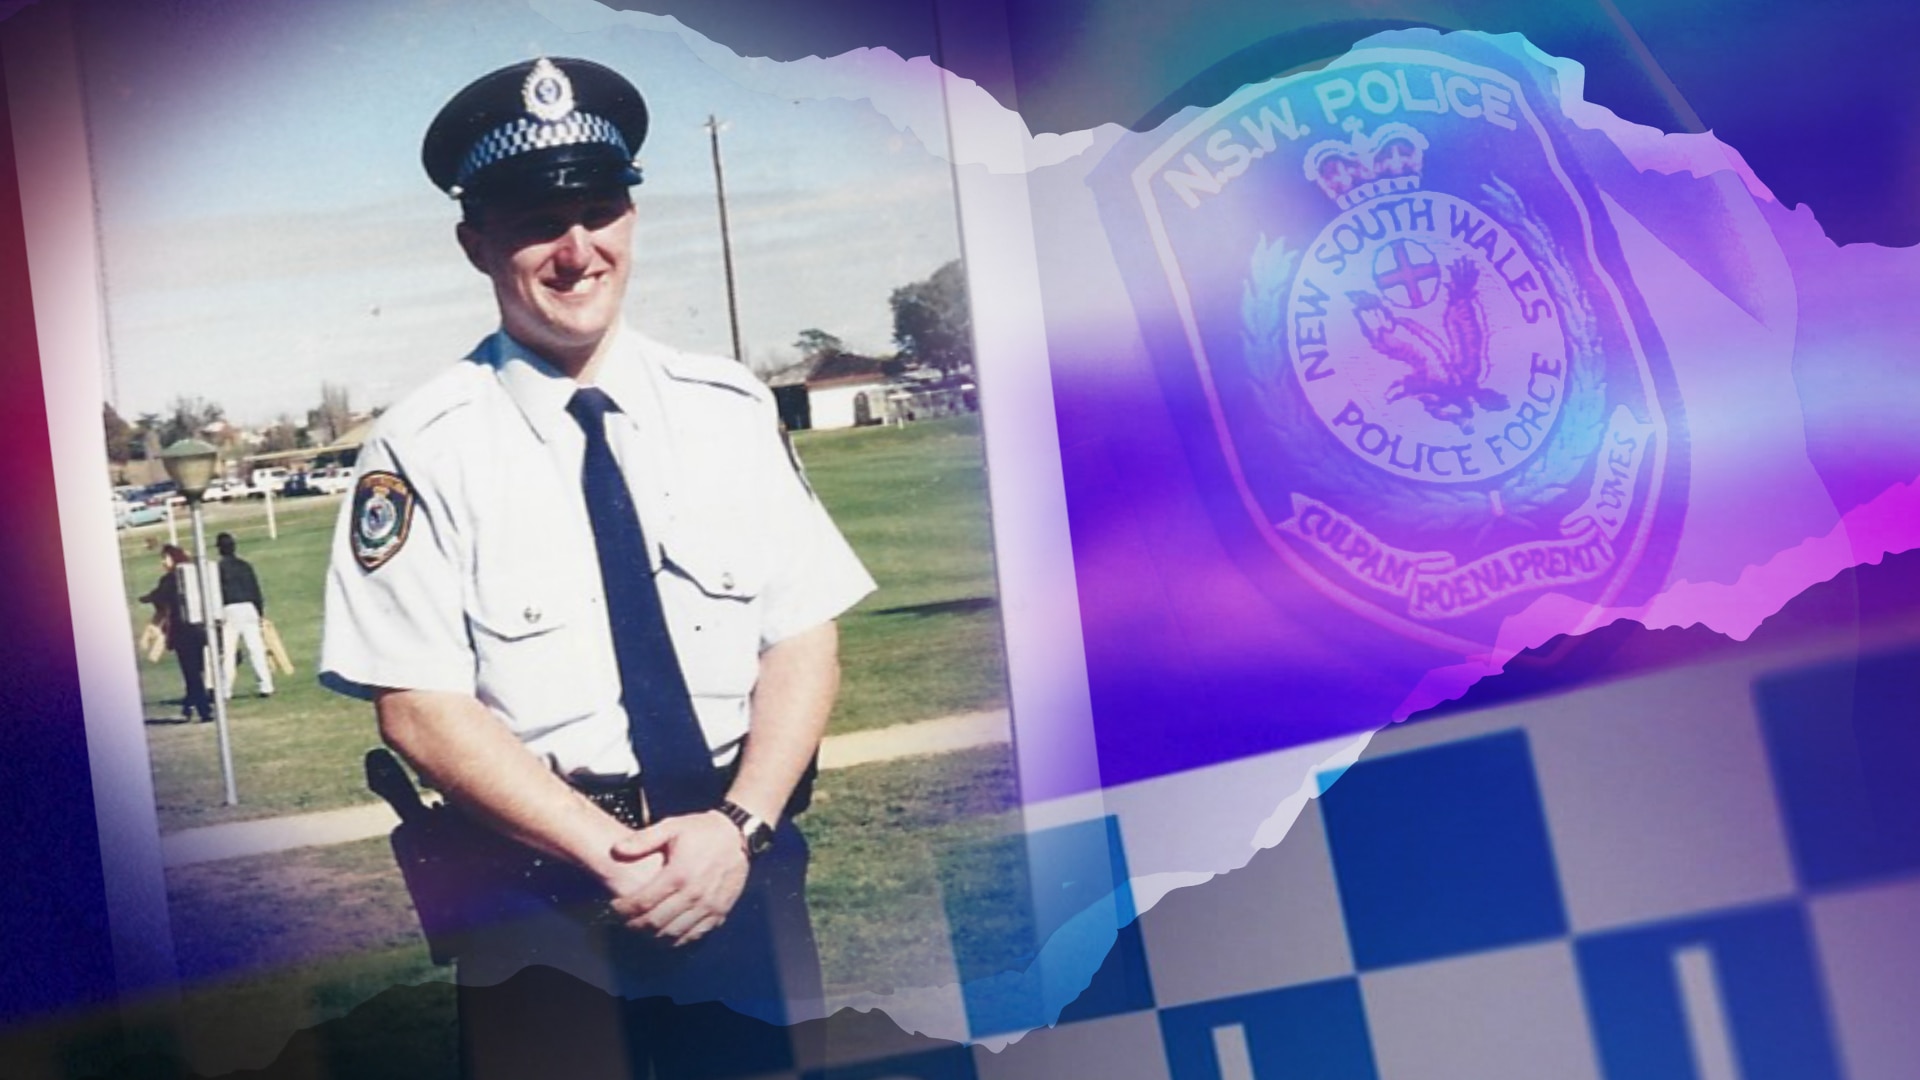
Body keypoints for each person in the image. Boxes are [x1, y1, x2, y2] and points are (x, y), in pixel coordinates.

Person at [319, 56, 874, 1077]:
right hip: (537, 903)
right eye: (539, 221)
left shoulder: (729, 408)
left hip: (738, 872)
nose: (578, 251)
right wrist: (617, 857)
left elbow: (802, 636)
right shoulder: (422, 446)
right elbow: (419, 709)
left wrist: (737, 828)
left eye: (600, 211)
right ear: (475, 243)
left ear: (632, 217)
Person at [141, 544, 213, 724]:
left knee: (191, 673)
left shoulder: (169, 580)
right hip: (199, 629)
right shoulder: (192, 576)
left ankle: (204, 710)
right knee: (194, 671)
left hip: (182, 631)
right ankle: (188, 707)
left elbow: (159, 598)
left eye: (165, 558)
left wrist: (147, 599)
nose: (162, 562)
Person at [215, 532, 274, 698]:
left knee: (228, 653)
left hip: (229, 609)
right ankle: (266, 685)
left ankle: (225, 689)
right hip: (249, 608)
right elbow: (255, 590)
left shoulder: (218, 569)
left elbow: (216, 593)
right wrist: (260, 613)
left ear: (219, 549)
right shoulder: (245, 566)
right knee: (256, 649)